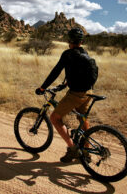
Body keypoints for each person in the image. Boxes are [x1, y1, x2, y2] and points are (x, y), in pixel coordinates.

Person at [35, 27, 97, 163]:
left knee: (54, 118)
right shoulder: (84, 53)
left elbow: (55, 71)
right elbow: (77, 72)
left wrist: (43, 87)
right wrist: (65, 84)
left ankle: (73, 149)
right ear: (81, 41)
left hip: (76, 94)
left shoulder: (67, 54)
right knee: (83, 119)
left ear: (69, 40)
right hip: (89, 92)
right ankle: (86, 153)